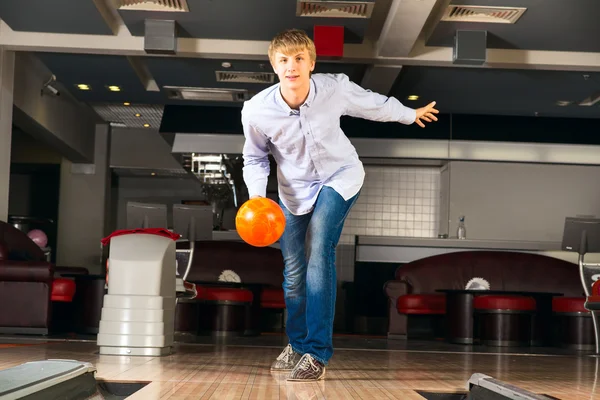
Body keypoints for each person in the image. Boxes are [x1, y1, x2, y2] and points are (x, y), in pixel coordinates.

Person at [240, 28, 439, 381]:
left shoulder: (334, 88)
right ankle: (298, 344)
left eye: (299, 58)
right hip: (292, 192)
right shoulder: (256, 111)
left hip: (339, 177)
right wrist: (258, 198)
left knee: (319, 248)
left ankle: (316, 352)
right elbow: (255, 159)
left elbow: (372, 104)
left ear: (311, 63)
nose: (292, 66)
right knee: (293, 269)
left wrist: (409, 114)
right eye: (284, 60)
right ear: (274, 65)